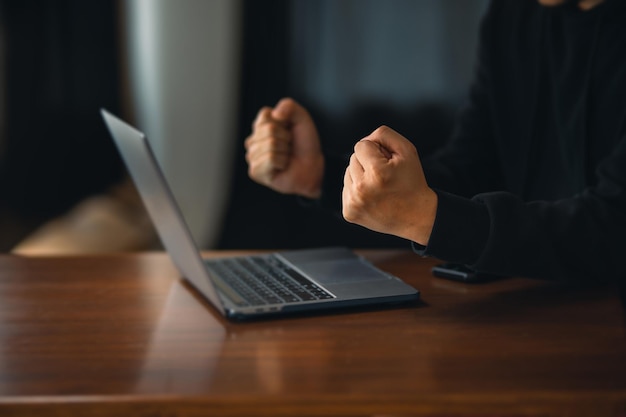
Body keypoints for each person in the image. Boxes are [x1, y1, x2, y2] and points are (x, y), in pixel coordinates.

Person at [244, 0, 626, 284]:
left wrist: (430, 219)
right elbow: (471, 168)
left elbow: (612, 228)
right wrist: (322, 176)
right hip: (539, 311)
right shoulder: (512, 17)